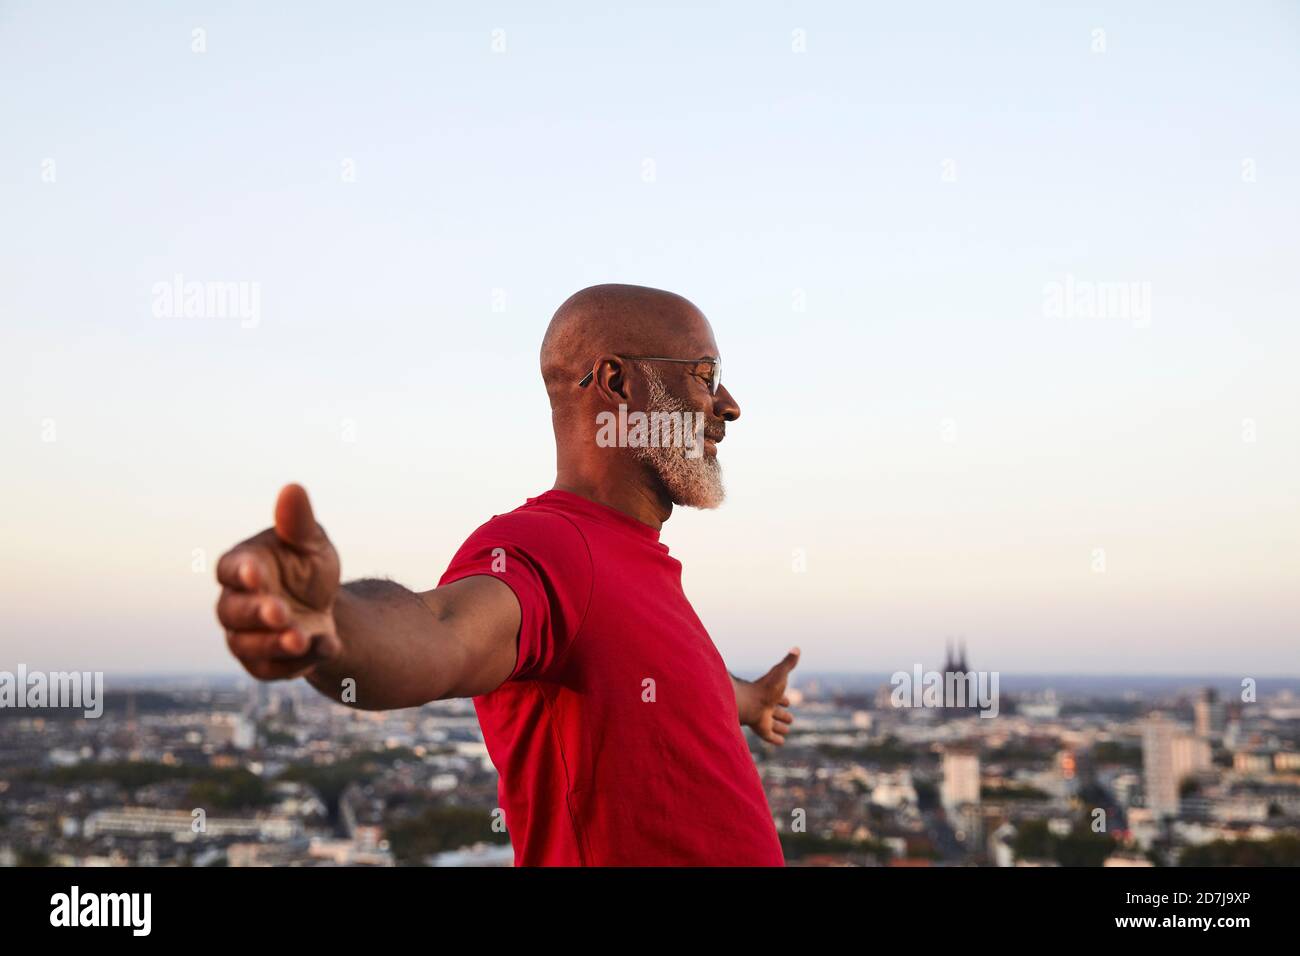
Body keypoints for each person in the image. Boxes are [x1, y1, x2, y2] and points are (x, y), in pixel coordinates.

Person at [214, 283, 800, 865]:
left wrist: (750, 700)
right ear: (619, 383)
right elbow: (444, 628)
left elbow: (672, 688)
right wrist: (336, 623)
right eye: (704, 374)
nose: (728, 405)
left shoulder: (640, 565)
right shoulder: (548, 546)